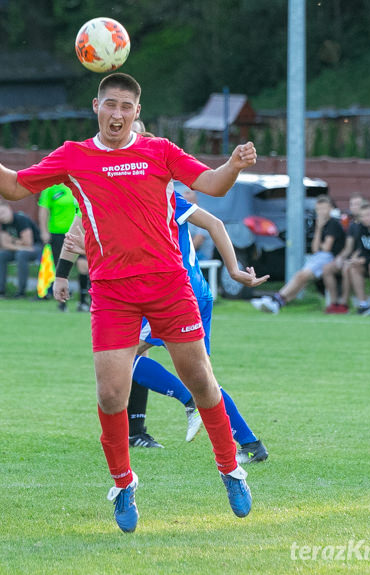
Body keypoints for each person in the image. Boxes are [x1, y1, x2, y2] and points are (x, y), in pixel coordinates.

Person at [0, 72, 258, 532]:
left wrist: (235, 163)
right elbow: (15, 187)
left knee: (202, 382)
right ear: (96, 106)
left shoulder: (159, 150)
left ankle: (231, 470)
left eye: (126, 106)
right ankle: (124, 484)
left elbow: (213, 183)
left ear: (136, 113)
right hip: (112, 292)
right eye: (110, 104)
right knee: (109, 393)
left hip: (169, 285)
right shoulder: (74, 155)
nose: (117, 113)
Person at [63, 186, 269, 464]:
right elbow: (214, 223)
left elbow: (214, 223)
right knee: (202, 377)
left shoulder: (162, 197)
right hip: (196, 293)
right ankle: (251, 444)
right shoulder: (142, 198)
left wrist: (234, 270)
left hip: (175, 295)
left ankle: (188, 401)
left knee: (123, 357)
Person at [251, 195, 346, 314]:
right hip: (319, 257)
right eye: (318, 209)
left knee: (301, 276)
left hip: (329, 258)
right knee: (301, 278)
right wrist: (318, 228)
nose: (321, 212)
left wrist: (320, 228)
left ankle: (276, 301)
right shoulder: (320, 225)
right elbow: (315, 248)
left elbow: (326, 248)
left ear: (331, 209)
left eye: (324, 209)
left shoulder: (333, 224)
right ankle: (277, 301)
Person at [38, 183, 90, 311]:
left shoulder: (79, 183)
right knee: (60, 268)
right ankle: (62, 302)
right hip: (57, 233)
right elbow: (44, 210)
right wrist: (44, 231)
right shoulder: (51, 187)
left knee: (83, 265)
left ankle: (83, 301)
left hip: (80, 232)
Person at [0, 199, 43, 299]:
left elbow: (28, 242)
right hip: (21, 249)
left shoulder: (21, 219)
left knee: (21, 255)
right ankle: (1, 291)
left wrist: (13, 241)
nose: (2, 216)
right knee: (1, 255)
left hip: (37, 247)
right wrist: (18, 243)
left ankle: (21, 292)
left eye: (3, 212)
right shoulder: (4, 223)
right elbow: (5, 244)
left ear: (9, 209)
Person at [322, 193, 363, 313]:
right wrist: (340, 257)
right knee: (327, 268)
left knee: (346, 268)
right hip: (350, 259)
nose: (355, 207)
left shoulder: (366, 224)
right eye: (352, 204)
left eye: (358, 204)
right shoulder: (352, 225)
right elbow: (348, 248)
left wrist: (353, 257)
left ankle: (344, 304)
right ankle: (333, 303)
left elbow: (364, 247)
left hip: (363, 259)